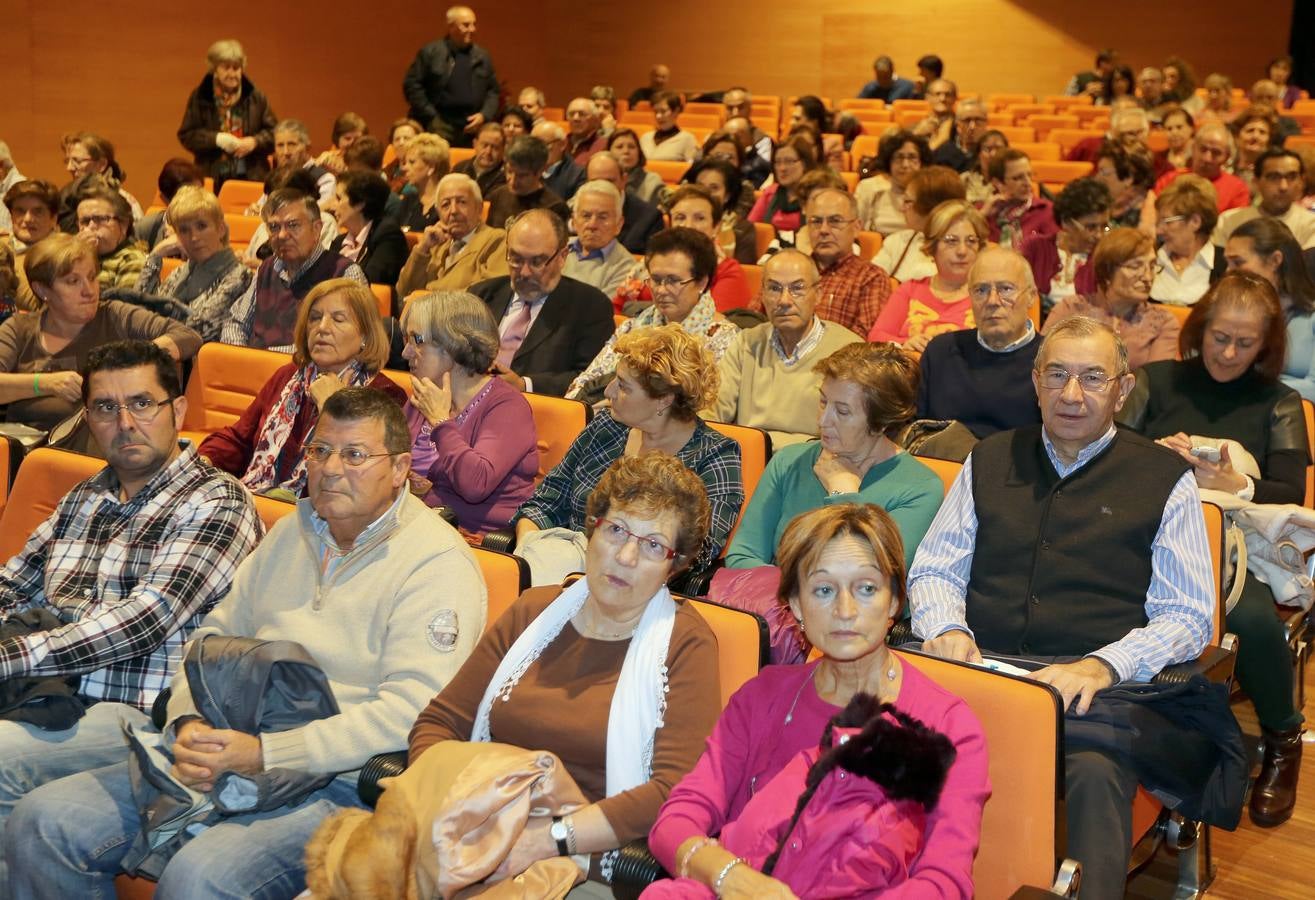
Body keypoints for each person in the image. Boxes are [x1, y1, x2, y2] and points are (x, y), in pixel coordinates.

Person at [9, 386, 487, 898]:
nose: (329, 468)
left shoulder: (435, 564)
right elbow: (212, 640)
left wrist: (267, 752)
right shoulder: (291, 533)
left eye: (354, 455)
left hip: (339, 780)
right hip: (228, 744)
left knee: (199, 878)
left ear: (398, 469)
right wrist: (189, 721)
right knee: (44, 823)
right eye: (320, 450)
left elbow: (412, 711)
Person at [911, 316, 1217, 897]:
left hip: (1092, 685)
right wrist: (946, 627)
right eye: (1057, 375)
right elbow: (935, 568)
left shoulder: (1164, 478)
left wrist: (1103, 665)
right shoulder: (989, 457)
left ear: (1122, 390)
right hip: (981, 666)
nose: (1071, 394)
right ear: (1035, 381)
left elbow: (1187, 615)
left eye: (1093, 378)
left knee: (1096, 775)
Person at [0, 340, 261, 893]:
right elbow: (13, 583)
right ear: (88, 417)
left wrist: (10, 656)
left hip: (136, 712)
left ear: (178, 412)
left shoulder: (217, 502)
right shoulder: (85, 496)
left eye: (142, 404)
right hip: (46, 690)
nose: (124, 422)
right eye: (105, 408)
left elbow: (145, 620)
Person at [410, 451, 720, 892]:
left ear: (675, 566)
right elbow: (440, 723)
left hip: (586, 863)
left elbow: (673, 792)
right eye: (617, 530)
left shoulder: (686, 645)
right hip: (472, 825)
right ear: (591, 530)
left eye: (653, 545)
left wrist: (548, 838)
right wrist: (451, 806)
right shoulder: (533, 612)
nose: (627, 556)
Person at [648, 503, 988, 899]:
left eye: (866, 588)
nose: (845, 611)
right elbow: (677, 821)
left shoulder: (946, 725)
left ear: (895, 602)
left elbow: (944, 883)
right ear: (796, 606)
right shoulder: (762, 697)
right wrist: (730, 876)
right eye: (824, 590)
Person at [1117, 272, 1308, 827]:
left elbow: (1290, 491)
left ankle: (1281, 733)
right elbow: (1109, 450)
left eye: (1245, 343)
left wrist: (1233, 485)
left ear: (1266, 344)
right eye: (1220, 336)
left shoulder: (1280, 402)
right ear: (1200, 329)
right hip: (1143, 528)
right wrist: (1154, 456)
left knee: (1245, 616)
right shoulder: (1152, 381)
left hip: (1231, 545)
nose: (1228, 353)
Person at [514, 326, 742, 587]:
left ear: (663, 400)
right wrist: (529, 551)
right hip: (560, 567)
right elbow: (543, 504)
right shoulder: (607, 428)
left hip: (634, 585)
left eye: (623, 386)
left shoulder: (714, 455)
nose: (608, 392)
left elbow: (695, 552)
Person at [725, 341, 942, 571]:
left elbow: (869, 578)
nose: (822, 421)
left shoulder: (920, 489)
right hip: (772, 605)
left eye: (842, 411)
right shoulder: (789, 461)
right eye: (823, 401)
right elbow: (741, 557)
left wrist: (843, 494)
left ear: (881, 424)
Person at [202, 279, 405, 495]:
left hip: (326, 516)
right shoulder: (288, 376)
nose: (322, 328)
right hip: (259, 499)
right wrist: (206, 459)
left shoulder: (385, 394)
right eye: (315, 318)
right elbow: (239, 439)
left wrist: (333, 404)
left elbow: (359, 472)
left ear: (365, 335)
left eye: (338, 319)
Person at [0, 234, 201, 430]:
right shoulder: (19, 328)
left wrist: (127, 361)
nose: (89, 290)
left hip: (99, 447)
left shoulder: (114, 315)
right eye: (73, 281)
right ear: (43, 290)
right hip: (22, 444)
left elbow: (186, 336)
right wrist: (44, 383)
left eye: (92, 277)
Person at [400, 290, 537, 533]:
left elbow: (475, 484)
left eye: (417, 340)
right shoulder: (421, 397)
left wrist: (440, 421)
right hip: (417, 529)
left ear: (454, 344)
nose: (405, 353)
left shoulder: (507, 406)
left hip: (476, 542)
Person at [708, 249, 864, 449]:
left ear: (818, 294)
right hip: (749, 460)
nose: (784, 300)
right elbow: (713, 415)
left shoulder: (849, 350)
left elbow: (853, 436)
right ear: (762, 294)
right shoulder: (746, 343)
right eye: (774, 288)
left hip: (817, 465)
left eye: (797, 288)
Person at [570, 227, 738, 402]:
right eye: (656, 280)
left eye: (673, 281)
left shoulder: (724, 339)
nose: (661, 290)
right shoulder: (634, 327)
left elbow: (710, 408)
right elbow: (585, 383)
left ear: (702, 282)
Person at [468, 209, 614, 396]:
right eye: (516, 259)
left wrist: (525, 385)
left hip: (538, 412)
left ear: (562, 256)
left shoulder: (590, 306)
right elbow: (443, 348)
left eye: (537, 262)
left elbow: (592, 379)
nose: (525, 272)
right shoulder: (481, 295)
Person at [917, 247, 1044, 437]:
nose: (992, 301)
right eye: (981, 290)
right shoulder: (940, 352)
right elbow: (914, 430)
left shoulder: (1051, 360)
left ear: (1031, 296)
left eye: (1006, 289)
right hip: (941, 463)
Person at [220, 189, 366, 351]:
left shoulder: (344, 274)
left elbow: (347, 341)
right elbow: (236, 323)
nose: (282, 235)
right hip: (253, 369)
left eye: (293, 225)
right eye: (274, 227)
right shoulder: (267, 268)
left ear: (316, 229)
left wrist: (267, 357)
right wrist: (242, 356)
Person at [1047, 227, 1181, 370]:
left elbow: (1155, 385)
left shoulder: (1163, 323)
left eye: (1152, 266)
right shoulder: (1069, 308)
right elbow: (1043, 365)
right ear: (1107, 271)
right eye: (1135, 266)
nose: (1148, 277)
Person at [135, 186, 252, 343]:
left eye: (201, 226)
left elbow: (197, 330)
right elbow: (136, 313)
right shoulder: (180, 273)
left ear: (221, 229)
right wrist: (155, 255)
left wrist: (152, 323)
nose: (194, 237)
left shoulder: (240, 276)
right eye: (184, 230)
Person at [869, 200, 985, 350]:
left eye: (971, 241)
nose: (962, 251)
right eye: (951, 241)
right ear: (932, 246)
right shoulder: (910, 289)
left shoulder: (988, 294)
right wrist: (904, 343)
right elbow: (876, 337)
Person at [1223, 217, 1315, 401]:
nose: (1227, 272)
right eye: (1227, 263)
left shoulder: (1311, 318)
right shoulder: (1228, 314)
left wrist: (1252, 387)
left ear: (1275, 260)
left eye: (1238, 262)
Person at [177, 39, 277, 184]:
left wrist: (255, 142)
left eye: (236, 68)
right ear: (215, 69)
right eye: (226, 68)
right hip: (212, 175)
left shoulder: (256, 97)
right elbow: (187, 135)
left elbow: (275, 133)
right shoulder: (200, 97)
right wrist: (216, 139)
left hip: (252, 175)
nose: (232, 74)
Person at [395, 173, 508, 296]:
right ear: (438, 213)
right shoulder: (435, 245)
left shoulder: (496, 240)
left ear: (479, 208)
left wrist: (432, 296)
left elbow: (494, 293)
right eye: (446, 205)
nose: (453, 211)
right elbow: (403, 291)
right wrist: (423, 248)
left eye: (462, 202)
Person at [403, 5, 500, 147]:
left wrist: (484, 115)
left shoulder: (482, 57)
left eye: (474, 24)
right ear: (451, 27)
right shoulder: (431, 53)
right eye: (466, 25)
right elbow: (412, 85)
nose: (472, 29)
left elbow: (493, 91)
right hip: (439, 125)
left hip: (472, 127)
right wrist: (432, 116)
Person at [804, 188, 892, 337]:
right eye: (816, 221)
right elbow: (754, 319)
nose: (823, 230)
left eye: (835, 221)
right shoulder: (789, 270)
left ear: (857, 227)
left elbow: (864, 340)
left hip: (837, 358)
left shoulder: (871, 277)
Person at [1020, 176, 1112, 305]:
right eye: (1090, 227)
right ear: (1066, 222)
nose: (1099, 235)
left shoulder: (1106, 257)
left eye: (1104, 227)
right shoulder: (1035, 247)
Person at [873, 166, 966, 283]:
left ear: (932, 207)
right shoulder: (896, 242)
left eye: (907, 201)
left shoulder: (963, 253)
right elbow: (870, 281)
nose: (902, 208)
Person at [1215, 149, 1315, 250]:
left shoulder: (1311, 224)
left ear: (1301, 181)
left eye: (1291, 177)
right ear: (1256, 182)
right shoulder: (1229, 221)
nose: (1283, 187)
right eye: (1274, 177)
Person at [326, 170, 408, 292]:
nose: (331, 205)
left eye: (338, 198)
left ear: (360, 203)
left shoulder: (388, 235)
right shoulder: (339, 242)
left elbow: (371, 282)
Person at [1152, 175, 1225, 305]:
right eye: (1158, 222)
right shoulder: (1150, 257)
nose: (1159, 231)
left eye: (1167, 222)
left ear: (1195, 222)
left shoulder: (1225, 264)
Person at [1151, 123, 1251, 217]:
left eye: (1216, 153)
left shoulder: (1238, 189)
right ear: (1193, 148)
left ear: (1227, 157)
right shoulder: (1169, 180)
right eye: (1203, 149)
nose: (1207, 158)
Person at [561, 181, 636, 298]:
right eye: (586, 216)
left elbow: (597, 310)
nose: (592, 225)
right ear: (574, 221)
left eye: (602, 217)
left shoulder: (626, 267)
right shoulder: (556, 248)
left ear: (619, 224)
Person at [585, 152, 664, 255]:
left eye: (609, 181)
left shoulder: (650, 217)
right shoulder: (577, 212)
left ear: (624, 180)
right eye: (595, 182)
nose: (603, 188)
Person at [485, 136, 572, 229]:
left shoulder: (555, 207)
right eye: (509, 171)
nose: (513, 180)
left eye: (522, 175)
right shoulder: (498, 195)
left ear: (539, 172)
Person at [855, 130, 931, 235]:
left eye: (912, 157)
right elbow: (855, 230)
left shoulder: (930, 193)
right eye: (899, 157)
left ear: (922, 162)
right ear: (889, 162)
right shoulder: (869, 188)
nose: (905, 164)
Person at [58, 132, 143, 224]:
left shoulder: (125, 203)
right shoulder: (68, 198)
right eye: (67, 161)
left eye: (77, 161)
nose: (69, 168)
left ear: (101, 164)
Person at [2, 180, 58, 311]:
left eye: (38, 211)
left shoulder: (65, 252)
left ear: (54, 218)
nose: (28, 219)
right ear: (11, 216)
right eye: (20, 211)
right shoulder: (2, 245)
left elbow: (38, 308)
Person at [984, 149, 1056, 250]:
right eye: (1018, 178)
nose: (1027, 183)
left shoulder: (1046, 210)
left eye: (1029, 175)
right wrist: (982, 215)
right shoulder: (984, 212)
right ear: (998, 183)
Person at [76, 189, 146, 290]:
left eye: (100, 219)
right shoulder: (74, 258)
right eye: (85, 221)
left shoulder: (131, 260)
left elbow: (124, 304)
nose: (91, 226)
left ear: (123, 225)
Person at [690, 159, 756, 265]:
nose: (705, 193)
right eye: (699, 186)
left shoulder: (743, 229)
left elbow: (744, 271)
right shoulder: (681, 221)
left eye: (714, 188)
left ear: (727, 196)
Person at [748, 135, 818, 234]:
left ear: (805, 163)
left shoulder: (817, 197)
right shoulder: (770, 193)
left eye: (789, 161)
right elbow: (751, 229)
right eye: (777, 162)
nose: (782, 168)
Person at [133, 158, 204, 250]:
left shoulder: (212, 227)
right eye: (187, 196)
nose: (197, 200)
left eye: (200, 192)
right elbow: (136, 263)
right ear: (165, 199)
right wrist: (158, 253)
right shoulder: (145, 228)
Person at [395, 132, 451, 233]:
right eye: (405, 162)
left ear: (431, 167)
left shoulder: (449, 204)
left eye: (412, 162)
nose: (405, 168)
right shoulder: (408, 199)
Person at [269, 120, 335, 204]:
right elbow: (262, 206)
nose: (285, 152)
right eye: (280, 145)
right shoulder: (276, 178)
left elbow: (320, 214)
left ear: (307, 146)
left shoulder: (324, 179)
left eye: (292, 144)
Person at [1096, 139, 1156, 229]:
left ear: (1128, 178)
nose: (1097, 178)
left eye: (1104, 172)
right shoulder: (1102, 206)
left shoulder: (1147, 216)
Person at [608, 128, 666, 206]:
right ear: (608, 152)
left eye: (631, 147)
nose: (626, 151)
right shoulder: (601, 178)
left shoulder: (653, 182)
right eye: (619, 147)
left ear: (639, 153)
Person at [533, 121, 586, 203]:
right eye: (533, 144)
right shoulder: (525, 171)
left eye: (543, 144)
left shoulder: (578, 175)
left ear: (562, 144)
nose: (537, 150)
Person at [930, 100, 989, 174]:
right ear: (957, 124)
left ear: (986, 123)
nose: (972, 126)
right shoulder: (942, 153)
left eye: (978, 120)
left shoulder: (994, 153)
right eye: (967, 120)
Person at [640, 92, 700, 163]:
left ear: (676, 111)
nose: (658, 116)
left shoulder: (688, 139)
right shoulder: (645, 138)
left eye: (663, 111)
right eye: (656, 112)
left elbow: (692, 169)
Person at [1230, 105, 1279, 193]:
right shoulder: (1225, 167)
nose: (1255, 136)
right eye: (1250, 130)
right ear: (1237, 136)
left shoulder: (1275, 171)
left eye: (1262, 132)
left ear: (1269, 139)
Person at [454, 121, 506, 198]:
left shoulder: (506, 176)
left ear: (503, 150)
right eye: (484, 145)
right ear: (475, 144)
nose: (488, 152)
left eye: (495, 147)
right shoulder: (460, 168)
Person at [960, 130, 1008, 208]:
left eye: (999, 149)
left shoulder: (1012, 181)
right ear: (978, 154)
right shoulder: (965, 180)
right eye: (988, 149)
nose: (993, 154)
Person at [911, 80, 958, 150]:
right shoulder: (916, 127)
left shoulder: (961, 126)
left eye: (948, 95)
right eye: (937, 94)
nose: (942, 99)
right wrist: (916, 134)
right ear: (927, 98)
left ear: (954, 98)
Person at [564, 97, 607, 166]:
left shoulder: (603, 145)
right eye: (571, 114)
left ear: (595, 119)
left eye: (582, 114)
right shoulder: (561, 144)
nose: (576, 118)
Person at [384, 117, 423, 192]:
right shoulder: (386, 172)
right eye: (397, 139)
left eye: (406, 138)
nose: (401, 143)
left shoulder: (422, 172)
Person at [1158, 106, 1195, 172]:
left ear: (1191, 128)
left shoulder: (1201, 156)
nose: (1174, 133)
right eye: (1169, 129)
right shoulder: (1159, 159)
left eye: (1179, 127)